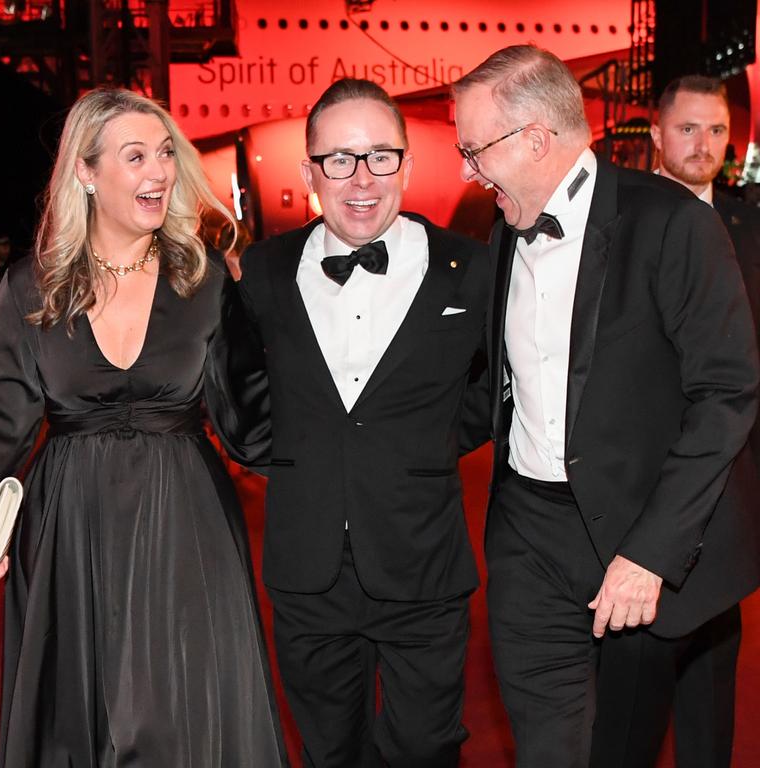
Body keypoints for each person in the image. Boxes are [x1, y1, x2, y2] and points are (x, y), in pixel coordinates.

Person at [452, 45, 760, 768]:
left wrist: (651, 553)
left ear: (535, 140)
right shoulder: (501, 230)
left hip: (635, 541)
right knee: (548, 749)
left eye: (475, 149)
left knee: (620, 748)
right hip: (527, 539)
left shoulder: (673, 224)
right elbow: (493, 388)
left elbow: (725, 394)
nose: (468, 169)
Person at [0, 87, 286, 767]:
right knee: (76, 722)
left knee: (185, 719)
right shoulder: (28, 291)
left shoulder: (207, 282)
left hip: (188, 531)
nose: (159, 172)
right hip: (67, 537)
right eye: (135, 157)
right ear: (86, 173)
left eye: (164, 155)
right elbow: (1, 425)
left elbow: (253, 425)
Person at [229, 78, 488, 767]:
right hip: (306, 569)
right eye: (339, 159)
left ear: (406, 164)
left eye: (379, 155)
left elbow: (496, 390)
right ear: (310, 170)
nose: (361, 178)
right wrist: (293, 459)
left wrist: (426, 444)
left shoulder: (469, 271)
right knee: (328, 752)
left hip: (423, 563)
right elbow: (237, 388)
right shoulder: (262, 271)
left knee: (426, 749)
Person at [648, 73, 760, 768]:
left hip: (733, 485)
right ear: (656, 131)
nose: (704, 144)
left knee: (714, 685)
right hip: (639, 485)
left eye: (717, 130)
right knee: (627, 695)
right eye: (688, 128)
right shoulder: (617, 220)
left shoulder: (750, 222)